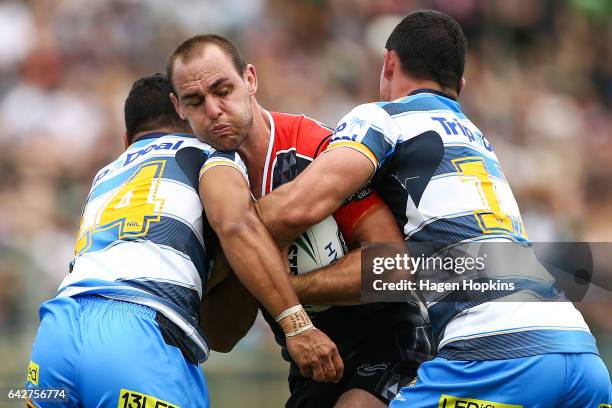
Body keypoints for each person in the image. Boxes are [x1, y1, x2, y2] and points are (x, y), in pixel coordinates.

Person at [255, 10, 612, 408]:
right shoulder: (478, 138)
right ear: (459, 84)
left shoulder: (383, 118)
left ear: (388, 62)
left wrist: (234, 233)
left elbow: (300, 206)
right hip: (582, 356)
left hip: (495, 353)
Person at [25, 73, 342, 408]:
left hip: (55, 332)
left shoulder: (105, 175)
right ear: (188, 117)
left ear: (126, 138)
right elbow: (236, 226)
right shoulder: (208, 153)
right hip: (137, 332)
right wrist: (296, 325)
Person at [167, 34, 434, 407]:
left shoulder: (314, 149)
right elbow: (222, 336)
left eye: (222, 90)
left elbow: (392, 268)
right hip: (310, 362)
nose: (213, 110)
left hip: (391, 339)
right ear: (178, 107)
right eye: (196, 101)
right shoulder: (203, 192)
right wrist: (245, 253)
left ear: (250, 79)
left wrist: (282, 285)